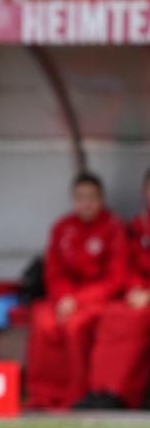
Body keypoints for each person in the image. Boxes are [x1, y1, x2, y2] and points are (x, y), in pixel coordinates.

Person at [24, 172, 128, 410]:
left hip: (97, 300)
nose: (86, 202)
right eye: (80, 197)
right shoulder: (62, 228)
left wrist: (78, 301)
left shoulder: (113, 228)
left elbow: (116, 277)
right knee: (43, 321)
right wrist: (64, 298)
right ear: (73, 199)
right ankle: (41, 395)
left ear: (101, 198)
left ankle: (75, 394)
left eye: (91, 197)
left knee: (74, 325)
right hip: (63, 298)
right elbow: (53, 272)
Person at [78, 167, 150, 408]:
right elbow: (128, 265)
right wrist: (136, 289)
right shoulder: (138, 225)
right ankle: (103, 390)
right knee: (115, 315)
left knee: (136, 319)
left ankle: (122, 394)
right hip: (139, 295)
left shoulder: (116, 225)